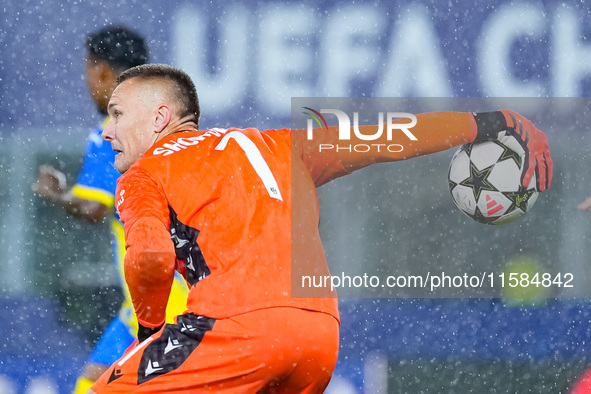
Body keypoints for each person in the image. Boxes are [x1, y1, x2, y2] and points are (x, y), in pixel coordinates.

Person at [89, 63, 552, 393]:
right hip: (318, 339)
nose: (108, 130)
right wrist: (482, 123)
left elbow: (150, 257)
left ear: (160, 118)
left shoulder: (143, 174)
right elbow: (388, 137)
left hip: (237, 329)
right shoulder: (282, 145)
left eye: (117, 113)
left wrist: (149, 328)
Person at [31, 28, 188, 394]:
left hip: (165, 298)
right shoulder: (167, 125)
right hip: (165, 295)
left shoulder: (112, 131)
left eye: (88, 73)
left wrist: (57, 195)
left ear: (100, 71)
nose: (88, 85)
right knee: (92, 381)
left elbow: (92, 208)